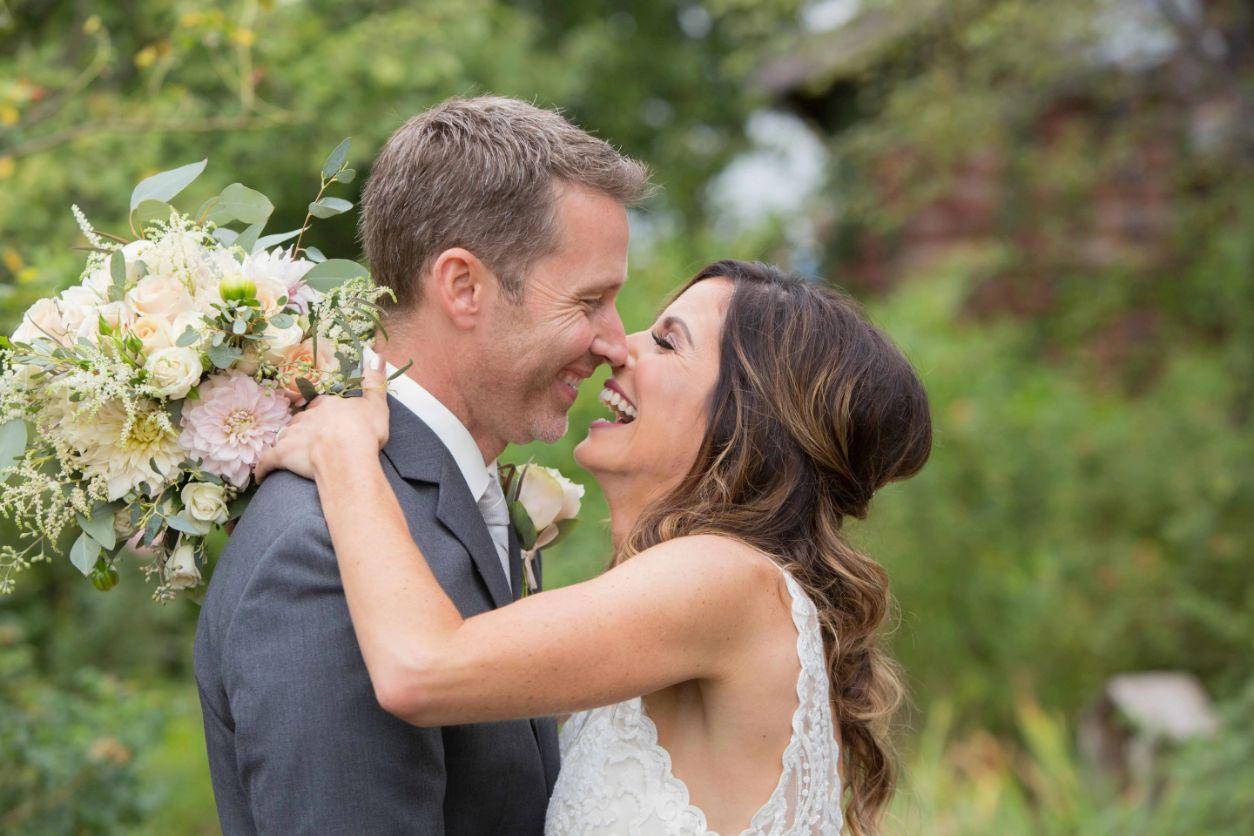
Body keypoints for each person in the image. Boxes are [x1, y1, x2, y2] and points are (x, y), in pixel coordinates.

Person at [256, 259, 933, 835]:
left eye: (667, 342)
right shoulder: (714, 590)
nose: (620, 348)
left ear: (748, 414)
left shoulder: (726, 577)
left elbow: (420, 669)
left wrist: (346, 451)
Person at [193, 96, 650, 834]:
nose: (616, 342)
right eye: (589, 300)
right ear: (463, 286)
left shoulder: (443, 497)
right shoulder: (319, 550)